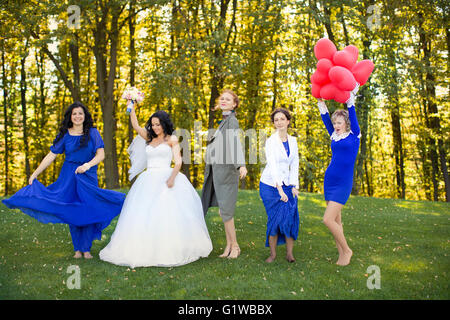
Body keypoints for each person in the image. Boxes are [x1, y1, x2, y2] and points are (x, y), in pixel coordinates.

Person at [2, 102, 125, 259]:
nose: (78, 116)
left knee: (87, 208)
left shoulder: (93, 133)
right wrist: (35, 173)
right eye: (74, 114)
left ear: (85, 116)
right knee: (71, 208)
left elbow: (100, 155)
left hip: (87, 175)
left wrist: (86, 166)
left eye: (80, 113)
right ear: (70, 116)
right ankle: (77, 250)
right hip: (69, 176)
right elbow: (51, 156)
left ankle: (86, 249)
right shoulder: (65, 135)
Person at [99, 107, 212, 268]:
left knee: (167, 215)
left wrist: (172, 178)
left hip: (167, 177)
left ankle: (169, 247)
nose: (154, 128)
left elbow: (178, 161)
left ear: (164, 124)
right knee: (142, 214)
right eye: (152, 125)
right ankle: (141, 247)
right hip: (148, 179)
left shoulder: (171, 139)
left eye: (158, 124)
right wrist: (132, 107)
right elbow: (136, 126)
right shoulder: (148, 138)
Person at [317, 85, 360, 266]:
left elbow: (352, 109)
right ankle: (341, 254)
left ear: (347, 124)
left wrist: (350, 98)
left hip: (343, 183)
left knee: (327, 219)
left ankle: (348, 250)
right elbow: (325, 118)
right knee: (336, 221)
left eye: (339, 123)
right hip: (330, 180)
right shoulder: (334, 135)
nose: (335, 126)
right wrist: (321, 102)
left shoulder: (354, 135)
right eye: (335, 123)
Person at [201, 89, 247, 259]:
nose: (224, 101)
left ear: (234, 104)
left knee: (226, 211)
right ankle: (228, 245)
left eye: (228, 99)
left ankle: (235, 246)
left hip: (227, 173)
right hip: (218, 172)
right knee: (223, 211)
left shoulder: (232, 122)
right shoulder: (224, 121)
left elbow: (234, 143)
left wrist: (241, 165)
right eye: (222, 98)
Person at [259, 108, 299, 263]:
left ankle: (290, 254)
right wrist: (280, 189)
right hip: (270, 185)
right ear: (274, 123)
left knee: (290, 217)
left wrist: (294, 185)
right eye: (276, 120)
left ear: (288, 121)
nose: (279, 122)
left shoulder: (293, 141)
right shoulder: (270, 142)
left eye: (282, 119)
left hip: (288, 184)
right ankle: (273, 254)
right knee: (274, 219)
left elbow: (295, 163)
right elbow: (273, 166)